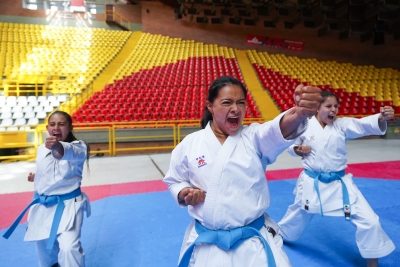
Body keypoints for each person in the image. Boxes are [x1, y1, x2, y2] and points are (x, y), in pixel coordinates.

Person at [163, 76, 322, 267]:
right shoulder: (190, 144)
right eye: (227, 102)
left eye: (241, 103)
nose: (236, 109)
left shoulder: (253, 138)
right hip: (209, 244)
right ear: (210, 106)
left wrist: (299, 114)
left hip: (254, 243)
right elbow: (175, 180)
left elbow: (275, 130)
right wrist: (183, 193)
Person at [277, 90, 396, 267]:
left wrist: (381, 117)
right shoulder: (305, 126)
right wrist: (298, 150)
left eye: (336, 106)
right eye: (328, 106)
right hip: (312, 183)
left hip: (340, 185)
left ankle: (373, 263)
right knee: (297, 214)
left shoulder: (342, 125)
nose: (333, 110)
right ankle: (278, 234)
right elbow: (290, 146)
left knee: (370, 221)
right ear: (317, 108)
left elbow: (362, 125)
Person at [3, 111, 91, 267]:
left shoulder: (79, 147)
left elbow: (68, 153)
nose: (56, 127)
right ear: (47, 127)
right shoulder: (41, 149)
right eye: (52, 124)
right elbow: (51, 172)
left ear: (70, 128)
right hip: (42, 206)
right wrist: (36, 176)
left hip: (68, 205)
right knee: (45, 251)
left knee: (69, 247)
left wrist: (57, 146)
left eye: (61, 124)